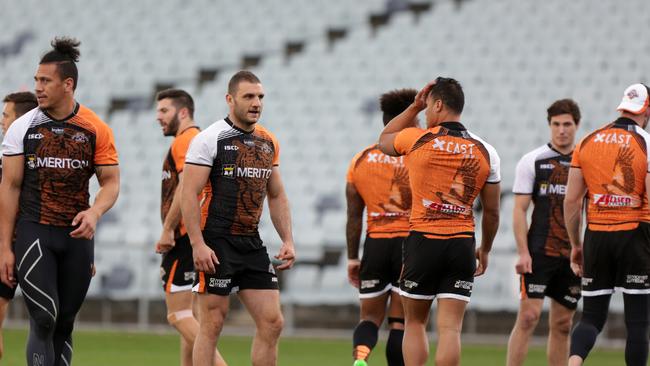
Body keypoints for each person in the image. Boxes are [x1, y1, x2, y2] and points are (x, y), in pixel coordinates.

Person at [0, 37, 120, 366]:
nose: (37, 87)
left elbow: (110, 183)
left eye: (45, 81)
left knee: (65, 323)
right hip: (34, 232)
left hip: (77, 237)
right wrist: (4, 248)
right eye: (37, 79)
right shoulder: (22, 129)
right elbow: (9, 187)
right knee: (45, 318)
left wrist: (95, 212)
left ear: (68, 84)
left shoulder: (96, 128)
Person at [378, 77, 501, 366]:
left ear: (438, 104)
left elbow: (384, 140)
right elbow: (492, 212)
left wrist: (413, 107)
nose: (426, 115)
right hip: (461, 243)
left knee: (415, 323)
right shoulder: (486, 150)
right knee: (450, 329)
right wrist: (485, 249)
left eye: (428, 108)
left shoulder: (419, 138)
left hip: (423, 241)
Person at [181, 70, 295, 366]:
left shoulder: (268, 141)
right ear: (230, 99)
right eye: (248, 96)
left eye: (260, 97)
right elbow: (188, 194)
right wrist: (197, 244)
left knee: (273, 322)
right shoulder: (210, 139)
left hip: (251, 243)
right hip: (216, 243)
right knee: (213, 324)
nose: (256, 103)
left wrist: (288, 239)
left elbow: (277, 195)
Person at [565, 83, 650, 366]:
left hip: (596, 237)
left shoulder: (588, 141)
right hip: (635, 237)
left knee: (591, 317)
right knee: (638, 323)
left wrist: (577, 245)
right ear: (646, 109)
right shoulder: (645, 142)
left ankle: (574, 363)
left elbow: (572, 202)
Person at [506, 99, 582, 366]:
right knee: (528, 318)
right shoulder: (533, 161)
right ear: (549, 125)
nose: (562, 130)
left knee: (563, 324)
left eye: (567, 124)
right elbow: (519, 210)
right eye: (556, 124)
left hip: (572, 255)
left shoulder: (585, 162)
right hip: (538, 252)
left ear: (577, 126)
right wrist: (523, 252)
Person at [155, 89, 226, 366]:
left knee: (178, 315)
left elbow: (186, 187)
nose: (158, 117)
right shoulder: (198, 140)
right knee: (194, 317)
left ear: (182, 112)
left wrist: (168, 229)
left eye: (164, 111)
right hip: (201, 233)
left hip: (185, 235)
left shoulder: (186, 140)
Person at [346, 88, 417, 366]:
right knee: (399, 323)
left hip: (374, 244)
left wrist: (353, 258)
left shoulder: (360, 159)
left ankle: (360, 360)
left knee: (370, 319)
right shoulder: (418, 156)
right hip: (408, 246)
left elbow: (353, 216)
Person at [0, 91, 38, 360]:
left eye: (6, 115)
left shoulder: (32, 159)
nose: (2, 120)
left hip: (21, 243)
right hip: (13, 242)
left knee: (48, 322)